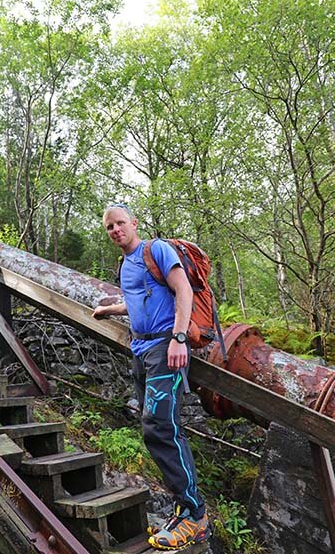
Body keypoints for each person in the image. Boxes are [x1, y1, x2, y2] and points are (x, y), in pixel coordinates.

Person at [92, 203, 209, 550]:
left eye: (120, 223)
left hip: (165, 348)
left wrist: (178, 338)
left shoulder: (155, 249)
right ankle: (184, 507)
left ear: (134, 223)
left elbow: (183, 289)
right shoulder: (126, 264)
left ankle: (195, 515)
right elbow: (136, 300)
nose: (115, 230)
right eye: (109, 227)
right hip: (141, 352)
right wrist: (109, 309)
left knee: (159, 426)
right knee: (159, 428)